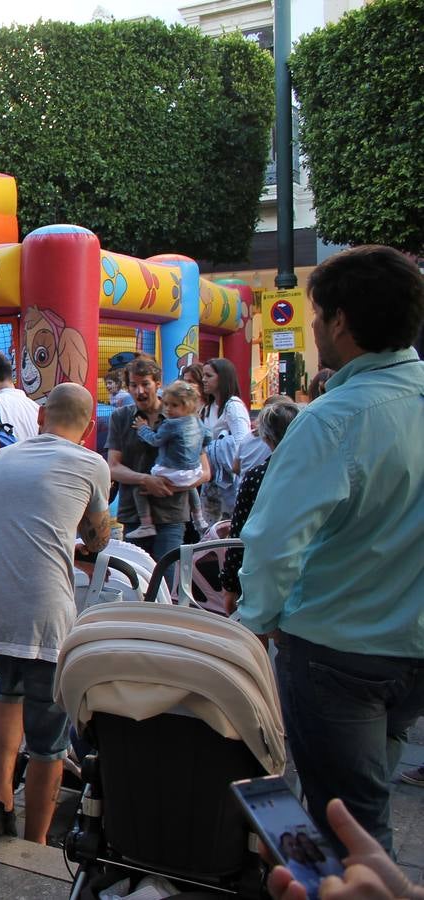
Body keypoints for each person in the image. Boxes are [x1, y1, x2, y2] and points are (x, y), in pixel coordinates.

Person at [238, 245, 424, 857]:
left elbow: (272, 541)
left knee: (351, 827)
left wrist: (253, 625)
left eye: (317, 316)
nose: (314, 329)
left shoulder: (334, 418)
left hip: (336, 651)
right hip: (410, 651)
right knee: (370, 796)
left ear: (341, 321)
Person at [0, 383, 111, 844]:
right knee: (48, 734)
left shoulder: (1, 457)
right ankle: (37, 843)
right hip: (44, 609)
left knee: (7, 690)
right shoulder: (91, 463)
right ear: (88, 427)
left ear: (43, 415)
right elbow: (99, 536)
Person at [107, 355, 209, 573]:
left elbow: (205, 471)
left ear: (157, 384)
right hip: (134, 514)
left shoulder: (182, 414)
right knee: (136, 582)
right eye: (133, 385)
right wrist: (145, 480)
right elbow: (113, 466)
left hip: (171, 513)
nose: (139, 392)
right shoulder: (121, 417)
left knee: (165, 581)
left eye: (145, 384)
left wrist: (174, 485)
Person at [219, 401, 300, 611]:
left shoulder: (257, 477)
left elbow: (239, 533)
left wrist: (230, 585)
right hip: (305, 572)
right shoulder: (314, 472)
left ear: (266, 437)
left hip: (265, 571)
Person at [267, 798, 424, 900]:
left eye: (297, 843)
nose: (297, 847)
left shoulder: (324, 860)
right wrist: (407, 893)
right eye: (291, 845)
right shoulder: (298, 867)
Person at [126, 379, 205, 540]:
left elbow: (155, 440)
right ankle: (199, 517)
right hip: (193, 471)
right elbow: (208, 436)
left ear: (187, 406)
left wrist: (143, 428)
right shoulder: (196, 421)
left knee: (139, 488)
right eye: (167, 405)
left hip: (171, 471)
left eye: (174, 406)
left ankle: (146, 524)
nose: (168, 409)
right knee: (190, 487)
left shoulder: (171, 424)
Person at [198, 357, 251, 525]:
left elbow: (242, 441)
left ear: (223, 377)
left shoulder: (233, 406)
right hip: (211, 483)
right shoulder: (207, 408)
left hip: (231, 481)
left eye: (209, 375)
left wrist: (216, 447)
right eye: (203, 375)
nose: (203, 380)